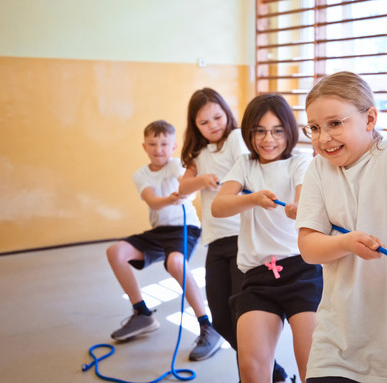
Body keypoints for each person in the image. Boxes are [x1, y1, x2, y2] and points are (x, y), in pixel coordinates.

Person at [295, 71, 387, 383]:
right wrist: (346, 243)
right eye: (314, 128)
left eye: (335, 123)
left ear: (370, 119)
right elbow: (308, 247)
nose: (324, 138)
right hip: (337, 336)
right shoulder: (318, 170)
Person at [178, 88, 289, 382]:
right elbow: (181, 189)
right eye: (204, 122)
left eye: (218, 116)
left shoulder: (236, 140)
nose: (214, 125)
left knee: (244, 317)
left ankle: (262, 372)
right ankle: (271, 370)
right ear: (195, 126)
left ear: (226, 114)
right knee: (221, 319)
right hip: (215, 242)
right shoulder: (198, 154)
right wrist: (200, 178)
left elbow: (253, 169)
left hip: (241, 239)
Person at [212, 94, 323, 383]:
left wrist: (299, 207)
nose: (268, 139)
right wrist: (254, 200)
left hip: (302, 272)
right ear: (249, 133)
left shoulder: (299, 162)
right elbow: (219, 206)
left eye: (277, 131)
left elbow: (302, 196)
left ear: (289, 131)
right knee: (250, 369)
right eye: (259, 131)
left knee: (312, 367)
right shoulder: (245, 165)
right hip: (258, 278)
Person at [105, 120, 223, 362]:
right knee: (115, 252)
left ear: (173, 146)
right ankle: (142, 313)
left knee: (176, 265)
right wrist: (169, 199)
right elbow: (152, 201)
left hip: (185, 228)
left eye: (164, 144)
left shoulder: (178, 166)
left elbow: (187, 188)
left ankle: (206, 325)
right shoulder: (141, 174)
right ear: (144, 147)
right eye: (152, 144)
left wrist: (187, 189)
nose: (158, 149)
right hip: (159, 231)